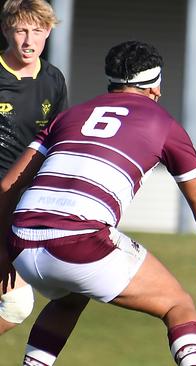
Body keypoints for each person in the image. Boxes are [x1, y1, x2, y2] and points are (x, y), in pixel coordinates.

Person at [0, 40, 196, 366]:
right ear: (155, 86)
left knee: (69, 300)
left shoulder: (70, 115)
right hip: (78, 240)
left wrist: (3, 250)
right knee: (178, 305)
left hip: (22, 238)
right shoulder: (163, 122)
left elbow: (9, 184)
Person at [0, 0, 68, 335]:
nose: (28, 39)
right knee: (16, 303)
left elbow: (58, 144)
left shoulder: (53, 80)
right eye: (21, 29)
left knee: (16, 304)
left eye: (37, 30)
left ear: (49, 31)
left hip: (21, 207)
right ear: (5, 30)